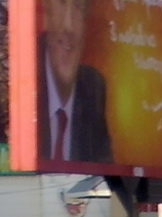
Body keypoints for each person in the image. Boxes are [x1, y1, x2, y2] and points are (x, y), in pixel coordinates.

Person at [38, 0, 111, 163]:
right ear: (45, 14)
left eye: (78, 7)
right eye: (61, 4)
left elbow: (105, 168)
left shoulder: (93, 86)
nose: (68, 27)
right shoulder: (25, 77)